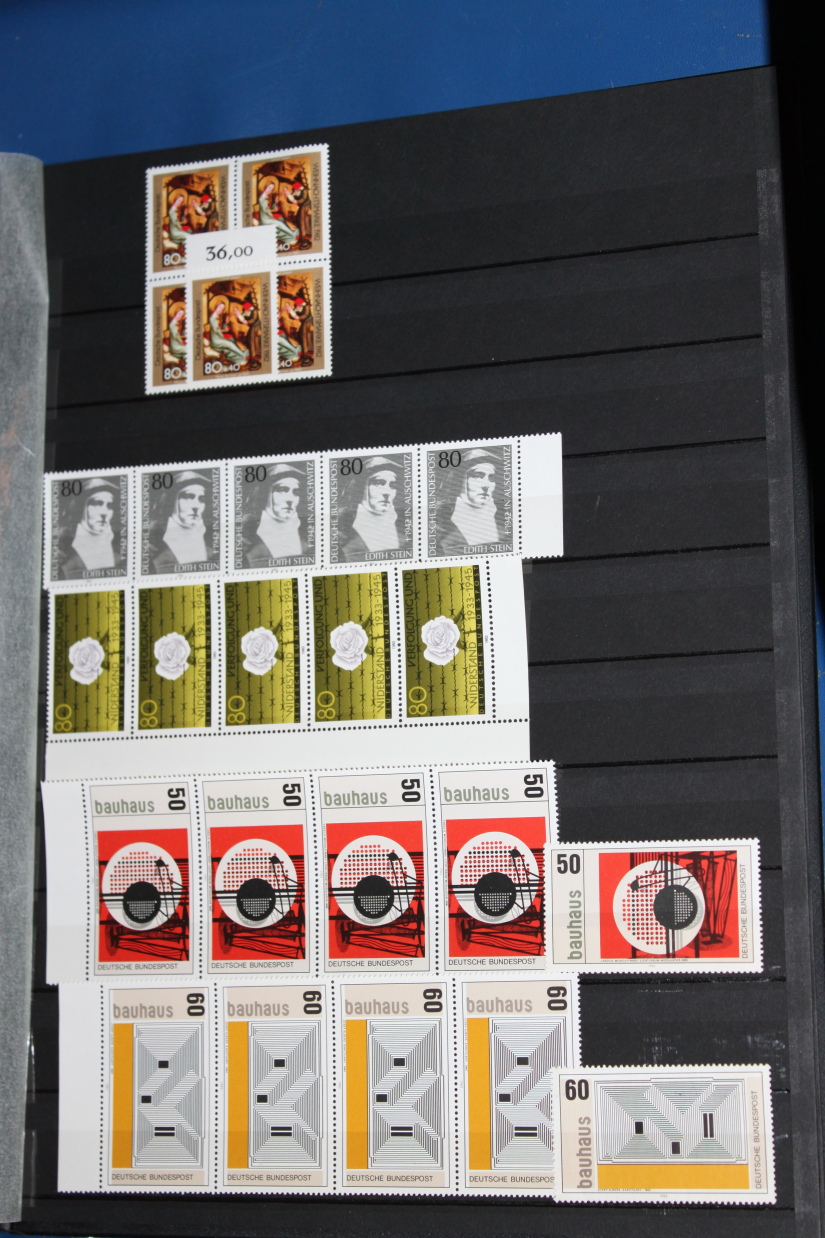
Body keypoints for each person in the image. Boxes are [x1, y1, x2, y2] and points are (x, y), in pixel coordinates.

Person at [435, 448, 505, 555]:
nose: (486, 485)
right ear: (461, 481)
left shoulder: (504, 531)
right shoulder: (439, 530)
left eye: (491, 478)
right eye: (477, 476)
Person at [339, 457, 403, 560]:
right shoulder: (341, 536)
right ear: (363, 488)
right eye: (379, 483)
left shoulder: (405, 536)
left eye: (392, 485)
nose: (387, 492)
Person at [150, 471, 215, 572]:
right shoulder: (153, 552)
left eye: (201, 499)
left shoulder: (212, 552)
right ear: (172, 501)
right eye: (188, 497)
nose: (196, 506)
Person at [59, 477, 122, 578]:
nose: (104, 513)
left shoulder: (119, 558)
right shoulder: (63, 557)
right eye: (97, 504)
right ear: (82, 508)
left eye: (109, 506)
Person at [245, 463, 309, 564]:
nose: (290, 499)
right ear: (265, 494)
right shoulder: (246, 544)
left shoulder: (308, 543)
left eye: (296, 492)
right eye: (282, 490)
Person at [208, 299, 249, 367]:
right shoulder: (212, 318)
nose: (221, 310)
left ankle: (239, 356)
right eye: (220, 307)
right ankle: (242, 354)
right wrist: (225, 330)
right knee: (229, 344)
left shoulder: (219, 317)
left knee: (231, 340)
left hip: (220, 338)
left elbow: (222, 327)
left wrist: (226, 323)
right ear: (215, 307)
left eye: (222, 309)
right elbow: (216, 330)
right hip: (216, 340)